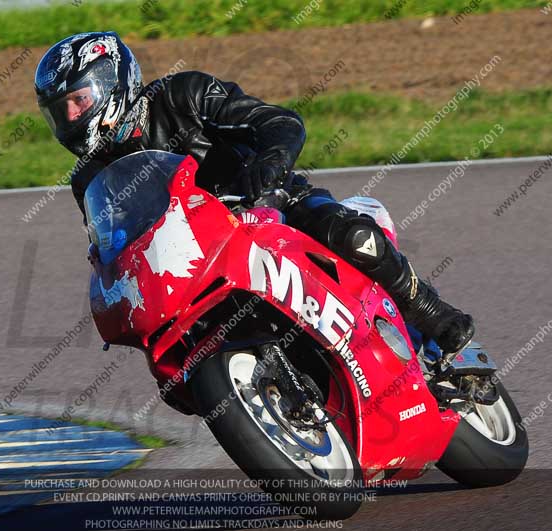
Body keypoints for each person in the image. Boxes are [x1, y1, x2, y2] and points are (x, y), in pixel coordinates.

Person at [34, 32, 474, 358]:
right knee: (175, 362)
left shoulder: (181, 95)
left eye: (78, 100)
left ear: (112, 83)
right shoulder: (88, 177)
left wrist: (270, 164)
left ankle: (427, 311)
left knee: (349, 235)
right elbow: (112, 244)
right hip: (193, 260)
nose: (71, 116)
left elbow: (276, 122)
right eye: (60, 111)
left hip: (269, 205)